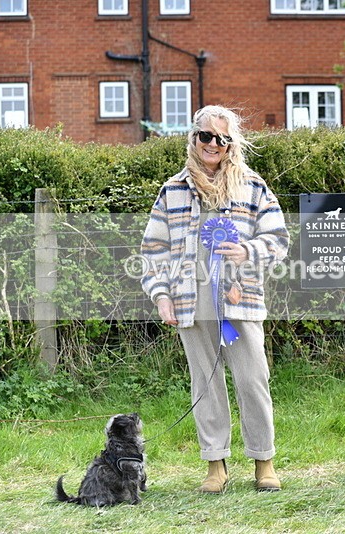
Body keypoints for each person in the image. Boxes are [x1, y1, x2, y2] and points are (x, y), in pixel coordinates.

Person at [141, 105, 290, 493]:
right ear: (193, 139)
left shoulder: (252, 186)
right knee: (205, 384)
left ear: (231, 144)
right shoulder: (172, 190)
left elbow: (279, 239)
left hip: (241, 300)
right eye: (206, 136)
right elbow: (154, 248)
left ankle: (264, 460)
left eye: (222, 139)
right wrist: (161, 296)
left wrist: (248, 252)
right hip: (190, 301)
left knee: (253, 379)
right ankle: (215, 465)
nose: (213, 144)